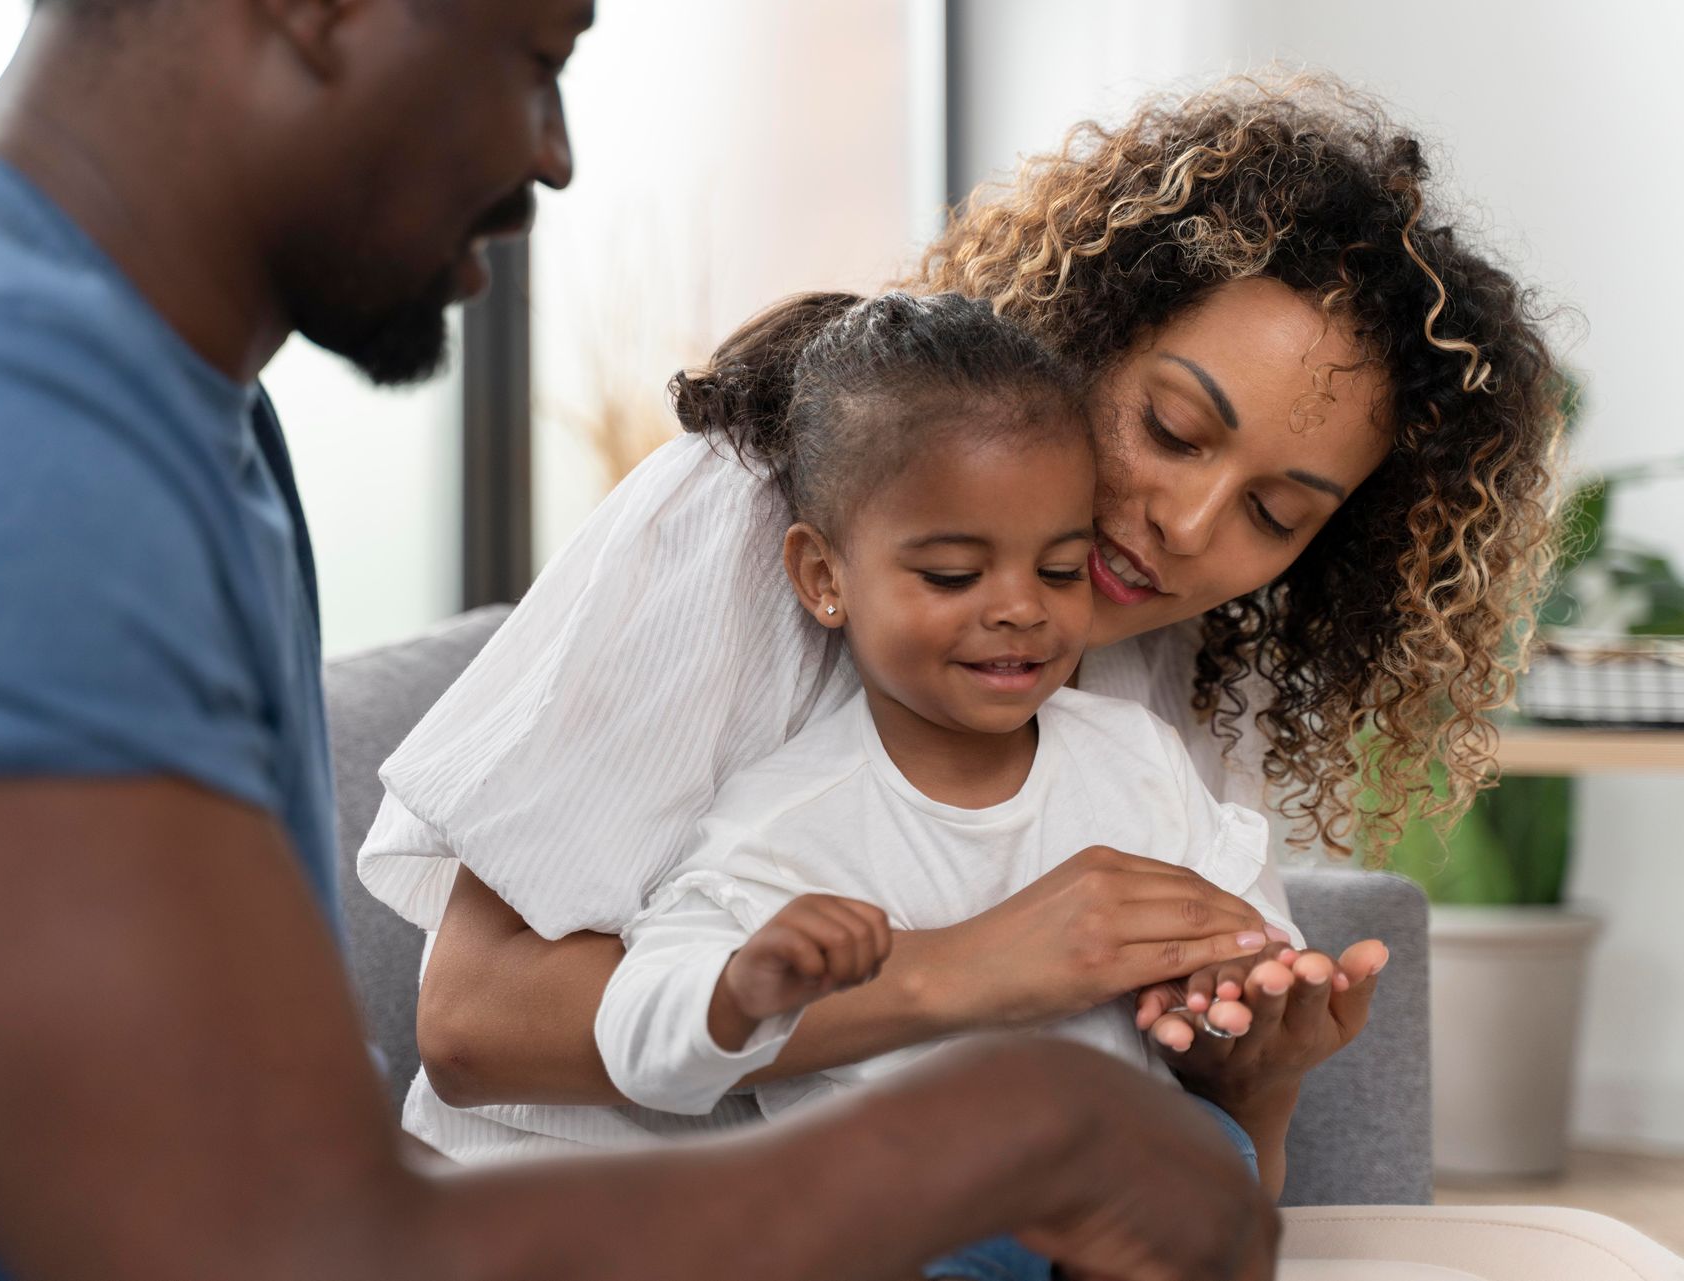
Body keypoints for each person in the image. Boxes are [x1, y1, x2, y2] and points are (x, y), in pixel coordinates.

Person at [0, 1, 1288, 1279]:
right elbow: (254, 1250)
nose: (550, 157)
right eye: (536, 58)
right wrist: (1032, 1129)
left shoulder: (188, 423)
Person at [359, 74, 1555, 1182]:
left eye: (1274, 512)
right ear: (1081, 330)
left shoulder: (1178, 664)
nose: (1189, 525)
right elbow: (472, 1023)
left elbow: (1213, 1189)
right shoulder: (749, 508)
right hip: (585, 1215)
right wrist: (967, 965)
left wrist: (1256, 1072)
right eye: (1175, 429)